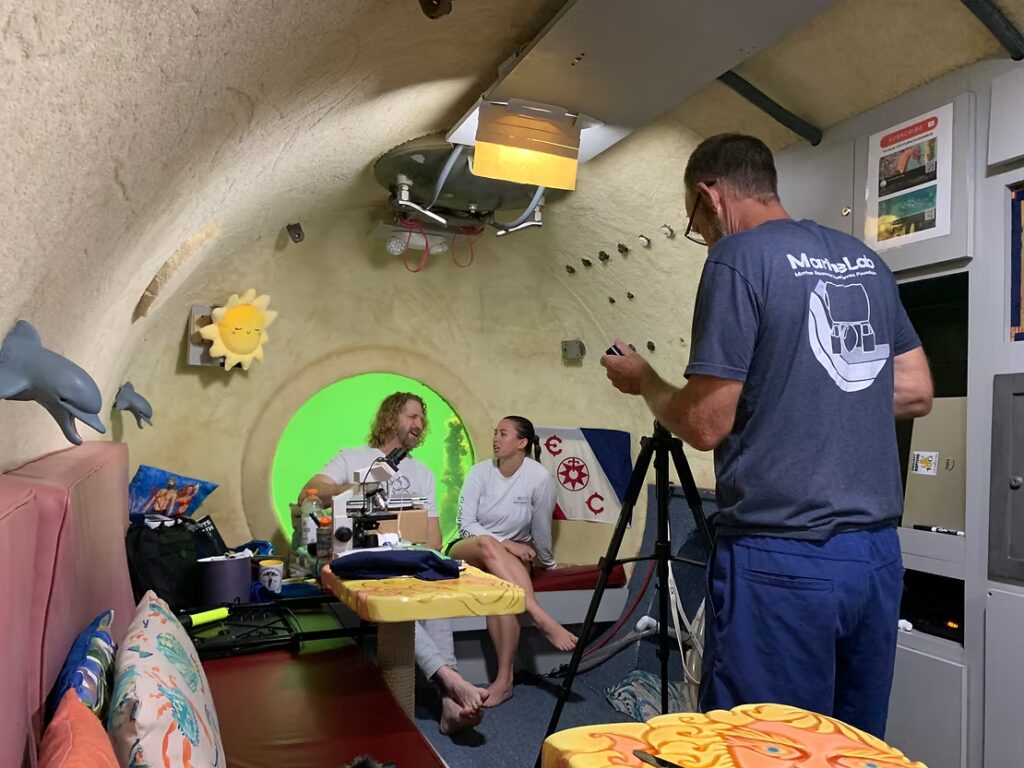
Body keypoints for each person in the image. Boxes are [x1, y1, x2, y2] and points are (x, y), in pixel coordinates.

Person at [600, 134, 933, 738]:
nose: (701, 235)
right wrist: (810, 385)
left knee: (764, 742)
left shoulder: (737, 258)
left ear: (710, 196)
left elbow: (705, 424)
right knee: (850, 745)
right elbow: (915, 390)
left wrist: (646, 381)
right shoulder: (867, 263)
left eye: (694, 223)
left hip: (782, 557)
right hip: (876, 559)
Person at [299, 391, 489, 734]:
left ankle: (448, 702)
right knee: (399, 599)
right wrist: (361, 486)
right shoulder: (353, 457)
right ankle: (451, 680)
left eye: (422, 420)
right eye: (412, 417)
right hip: (364, 560)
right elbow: (309, 493)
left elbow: (432, 538)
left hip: (409, 557)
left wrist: (400, 536)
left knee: (436, 589)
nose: (419, 425)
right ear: (390, 418)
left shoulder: (423, 473)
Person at [447, 416, 577, 707]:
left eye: (503, 434)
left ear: (522, 443)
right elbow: (466, 525)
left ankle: (504, 681)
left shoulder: (539, 478)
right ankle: (541, 618)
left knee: (503, 595)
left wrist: (550, 564)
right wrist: (506, 544)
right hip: (469, 550)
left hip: (509, 560)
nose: (495, 438)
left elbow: (542, 529)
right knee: (488, 544)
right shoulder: (480, 473)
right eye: (495, 433)